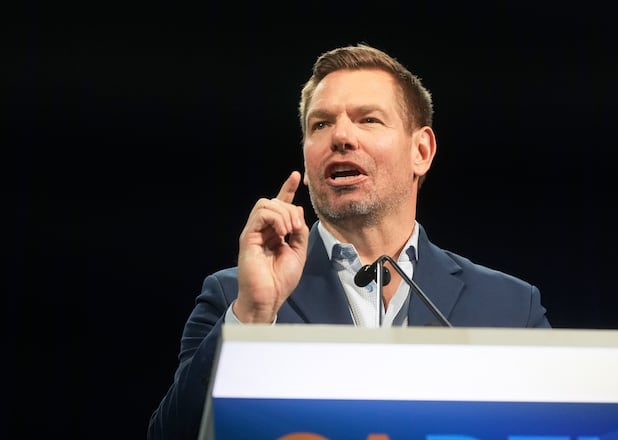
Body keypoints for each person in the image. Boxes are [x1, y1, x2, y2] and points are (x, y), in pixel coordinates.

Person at [147, 43, 551, 439]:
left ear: (421, 150)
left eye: (368, 120)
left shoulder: (511, 307)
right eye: (320, 124)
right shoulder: (237, 297)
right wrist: (253, 316)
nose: (340, 136)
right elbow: (172, 434)